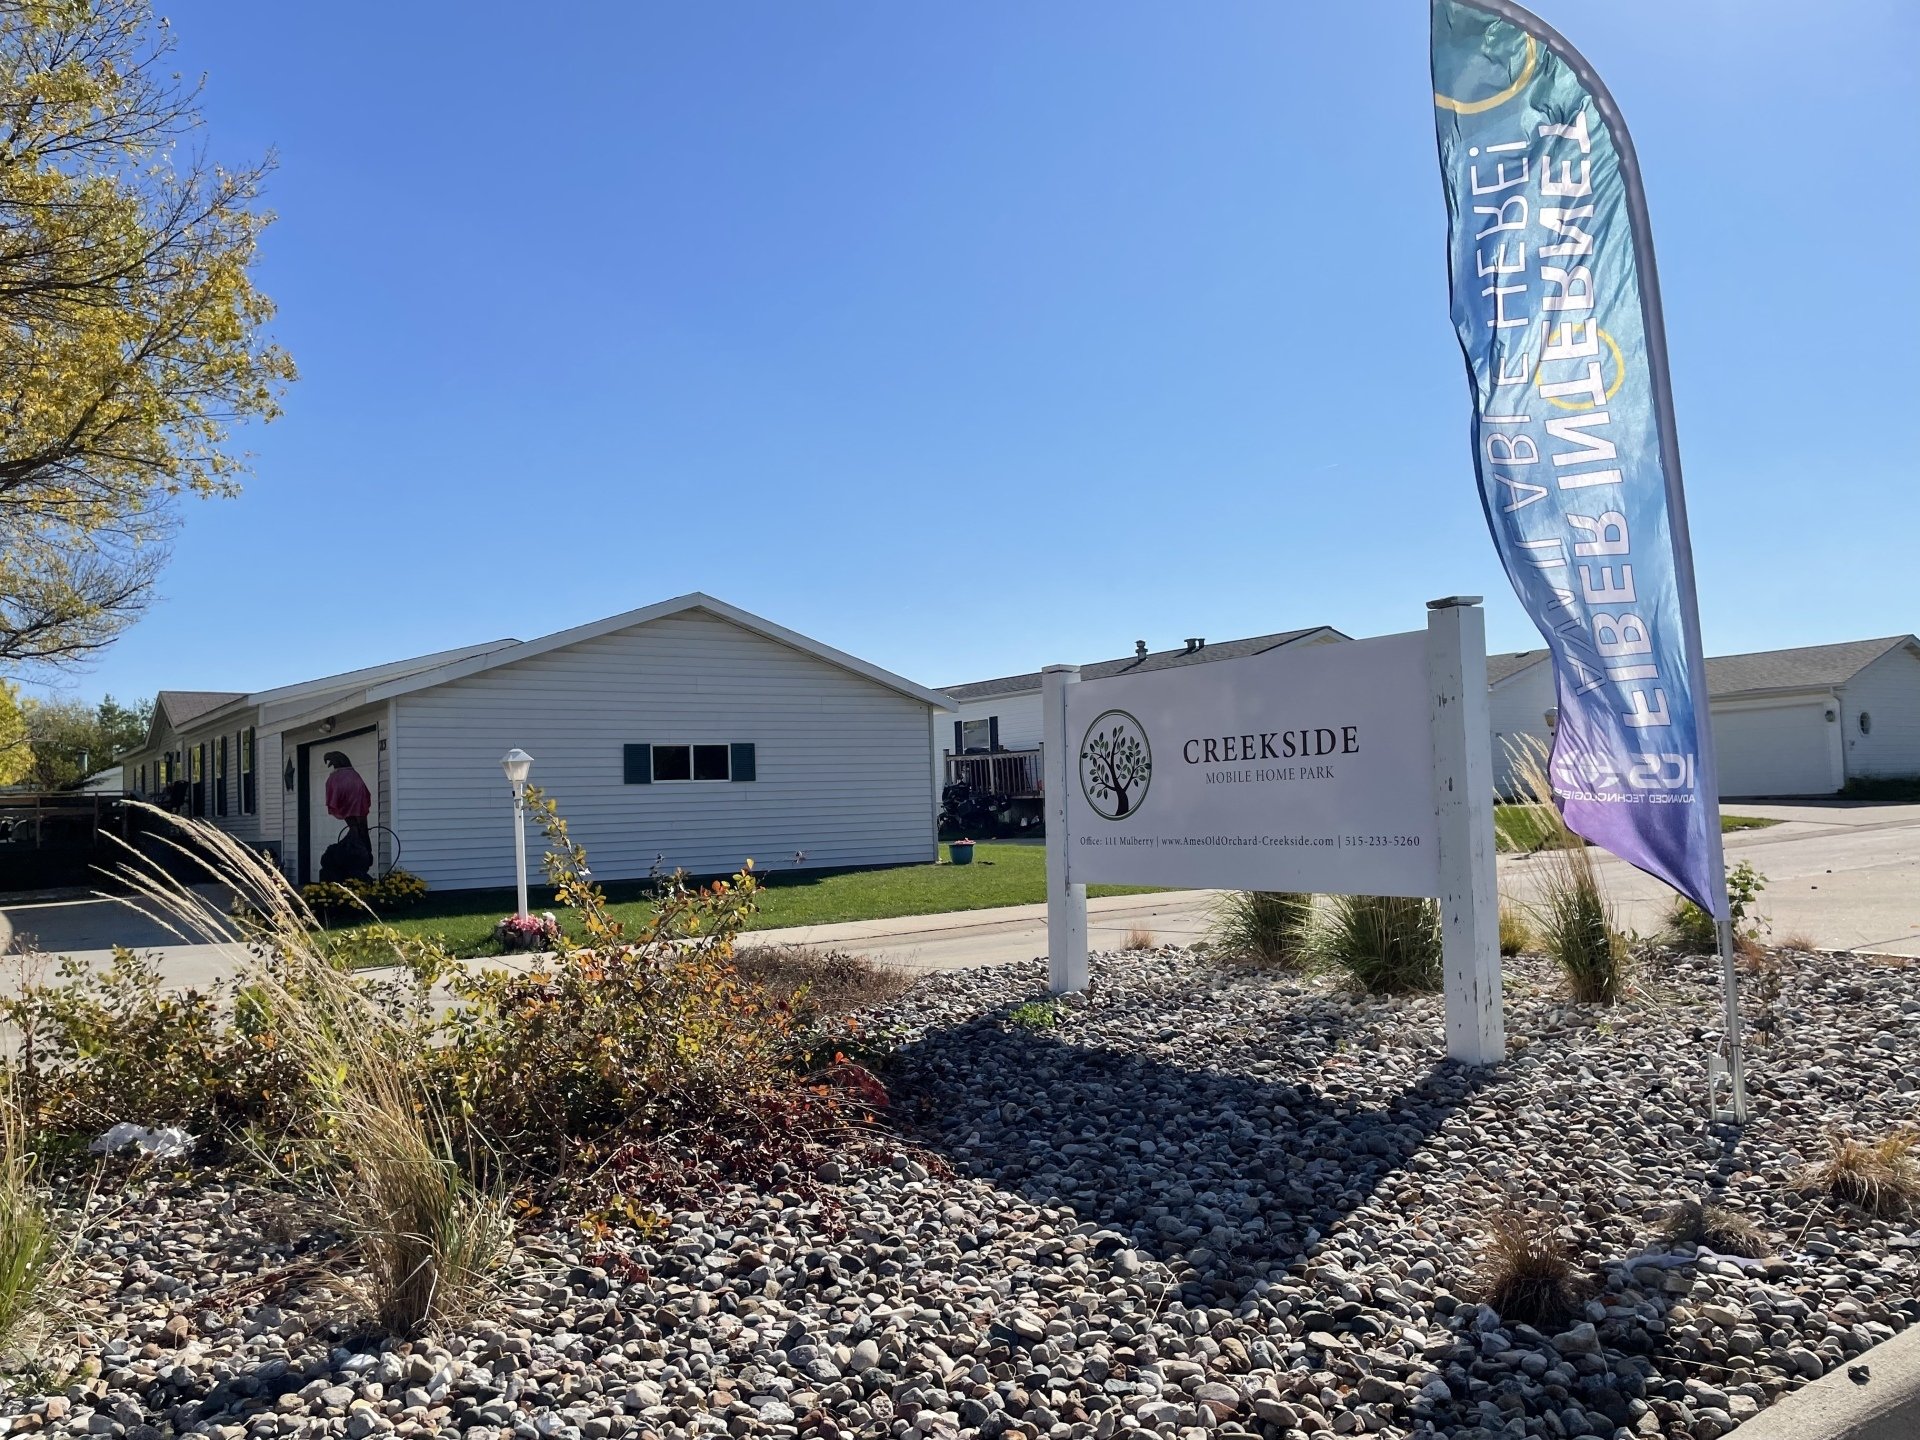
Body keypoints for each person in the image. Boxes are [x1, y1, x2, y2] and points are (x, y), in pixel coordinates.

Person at [320, 750, 373, 882]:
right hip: (359, 808)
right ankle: (359, 844)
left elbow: (334, 794)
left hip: (351, 808)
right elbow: (365, 793)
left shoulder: (337, 777)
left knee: (356, 830)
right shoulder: (354, 775)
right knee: (360, 831)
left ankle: (357, 848)